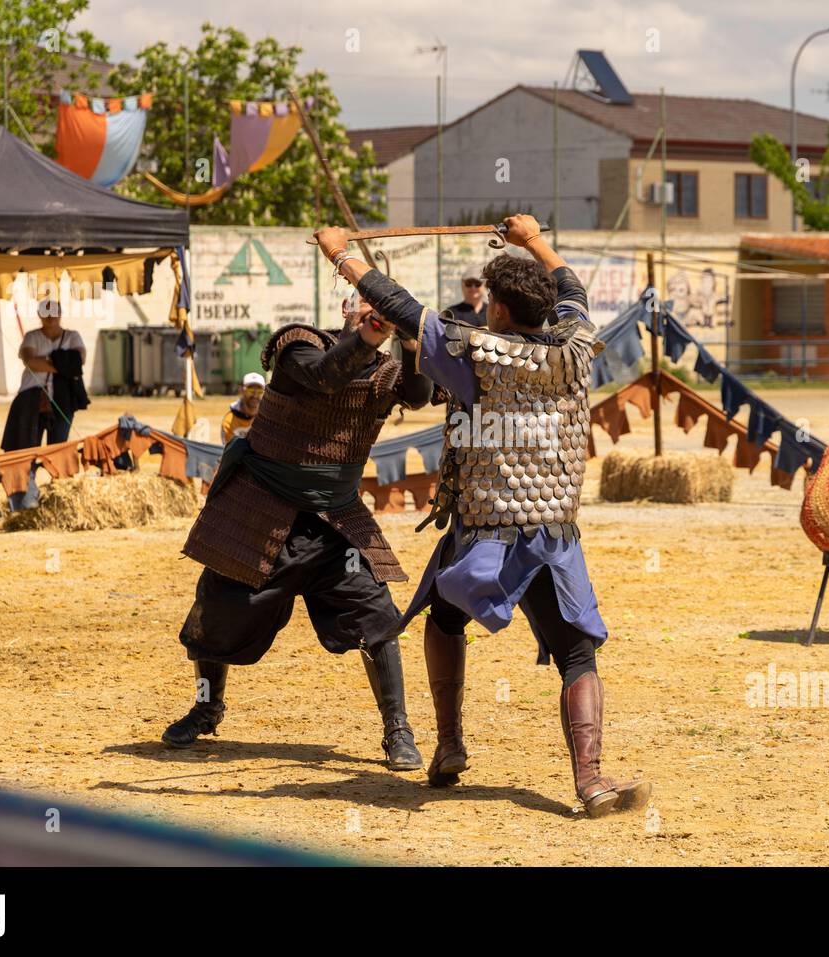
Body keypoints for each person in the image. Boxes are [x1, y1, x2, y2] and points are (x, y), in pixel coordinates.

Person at [314, 214, 652, 818]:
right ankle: (592, 781)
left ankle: (448, 744)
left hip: (485, 541)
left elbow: (402, 305)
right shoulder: (575, 348)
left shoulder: (475, 355)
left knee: (443, 621)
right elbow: (571, 289)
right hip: (554, 538)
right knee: (578, 655)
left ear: (494, 309)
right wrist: (535, 241)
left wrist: (341, 256)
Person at [164, 295, 434, 773]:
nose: (371, 318)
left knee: (377, 619)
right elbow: (325, 376)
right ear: (347, 305)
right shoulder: (300, 344)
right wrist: (372, 330)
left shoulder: (386, 367)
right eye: (365, 307)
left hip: (335, 523)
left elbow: (416, 393)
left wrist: (414, 337)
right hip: (261, 510)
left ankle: (398, 729)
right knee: (215, 615)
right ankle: (208, 709)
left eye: (380, 313)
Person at [1, 300, 88, 451]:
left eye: (54, 311)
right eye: (46, 312)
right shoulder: (32, 337)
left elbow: (80, 361)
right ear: (39, 314)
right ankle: (30, 474)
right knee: (28, 447)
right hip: (33, 397)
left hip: (63, 398)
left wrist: (45, 362)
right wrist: (65, 365)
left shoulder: (72, 336)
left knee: (57, 448)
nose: (50, 316)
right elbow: (30, 362)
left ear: (60, 313)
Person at [221, 372, 265, 444]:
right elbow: (229, 452)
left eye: (259, 391)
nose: (255, 395)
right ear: (242, 390)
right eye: (251, 390)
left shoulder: (267, 419)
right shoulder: (229, 421)